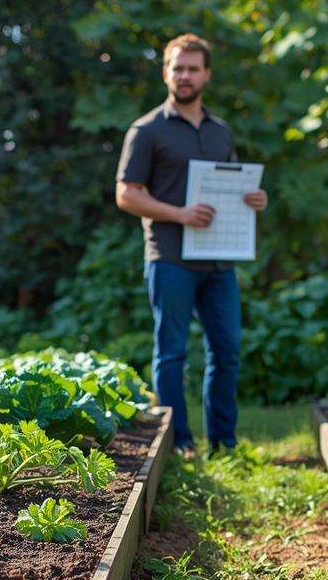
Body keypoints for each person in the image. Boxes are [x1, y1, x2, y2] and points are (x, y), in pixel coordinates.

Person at [114, 33, 267, 456]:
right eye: (177, 68)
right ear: (165, 72)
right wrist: (179, 213)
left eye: (193, 68)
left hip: (219, 260)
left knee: (227, 352)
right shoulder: (146, 130)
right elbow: (126, 194)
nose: (185, 76)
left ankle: (225, 443)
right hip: (170, 259)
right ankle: (179, 442)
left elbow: (231, 186)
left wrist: (253, 199)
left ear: (206, 74)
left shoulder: (221, 131)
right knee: (171, 355)